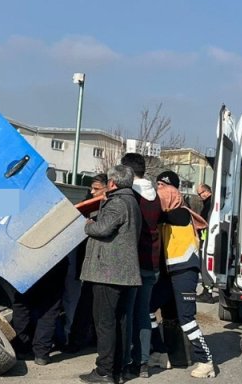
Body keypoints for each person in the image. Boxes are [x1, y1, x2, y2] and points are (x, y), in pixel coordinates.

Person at [150, 170, 217, 379]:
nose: (159, 193)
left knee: (186, 318)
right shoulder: (169, 215)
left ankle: (206, 362)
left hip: (184, 272)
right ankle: (161, 353)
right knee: (148, 309)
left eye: (162, 189)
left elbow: (158, 214)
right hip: (169, 273)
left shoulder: (180, 214)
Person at [79, 165, 142, 384]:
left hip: (108, 272)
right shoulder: (133, 201)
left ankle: (104, 371)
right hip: (123, 273)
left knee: (105, 323)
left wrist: (88, 224)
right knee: (121, 322)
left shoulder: (117, 202)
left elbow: (102, 229)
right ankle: (119, 369)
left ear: (113, 183)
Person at [121, 153, 162, 379]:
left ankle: (127, 361)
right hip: (152, 262)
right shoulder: (154, 194)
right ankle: (143, 363)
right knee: (144, 313)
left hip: (133, 262)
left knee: (127, 313)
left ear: (126, 171)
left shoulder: (130, 195)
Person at [67, 173, 110, 354]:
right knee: (83, 304)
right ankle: (76, 340)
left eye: (96, 189)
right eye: (91, 189)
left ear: (109, 187)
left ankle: (91, 339)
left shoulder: (114, 207)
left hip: (104, 265)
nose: (92, 192)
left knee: (98, 308)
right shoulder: (88, 204)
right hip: (86, 262)